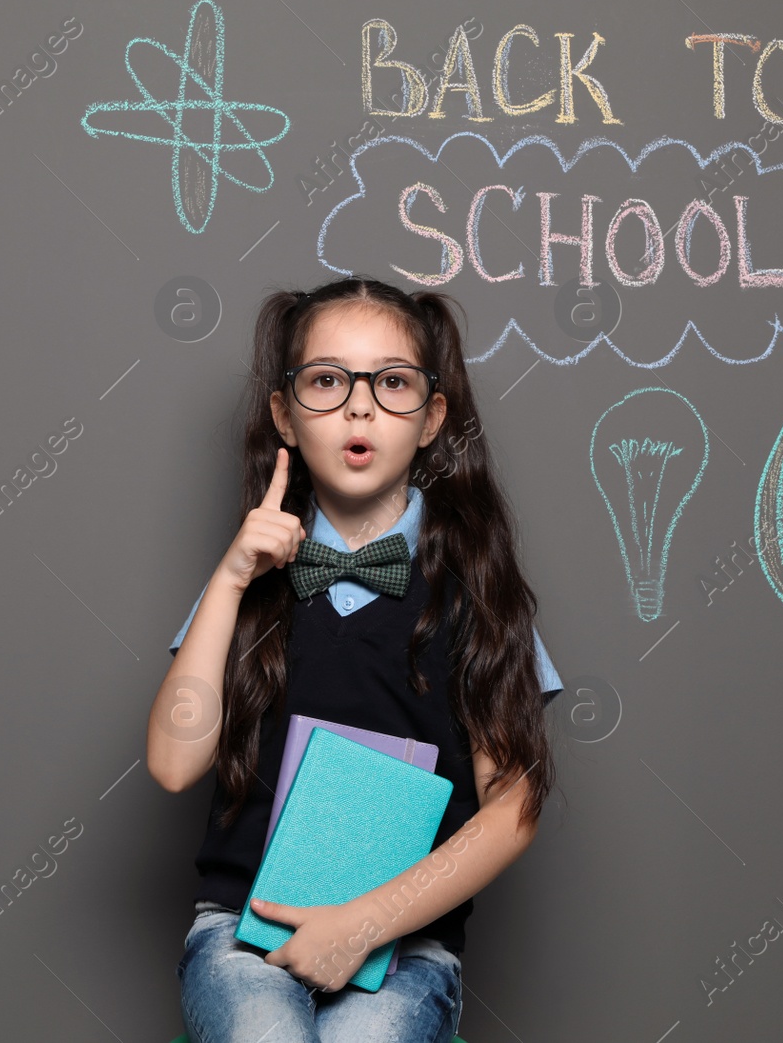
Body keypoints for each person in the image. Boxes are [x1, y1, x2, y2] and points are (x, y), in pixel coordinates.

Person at [147, 277, 564, 1043]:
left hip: (408, 947)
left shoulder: (480, 595)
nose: (360, 406)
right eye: (328, 380)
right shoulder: (240, 585)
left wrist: (367, 921)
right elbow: (175, 763)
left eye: (394, 382)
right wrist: (233, 576)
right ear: (284, 412)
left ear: (433, 417)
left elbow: (513, 804)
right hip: (242, 934)